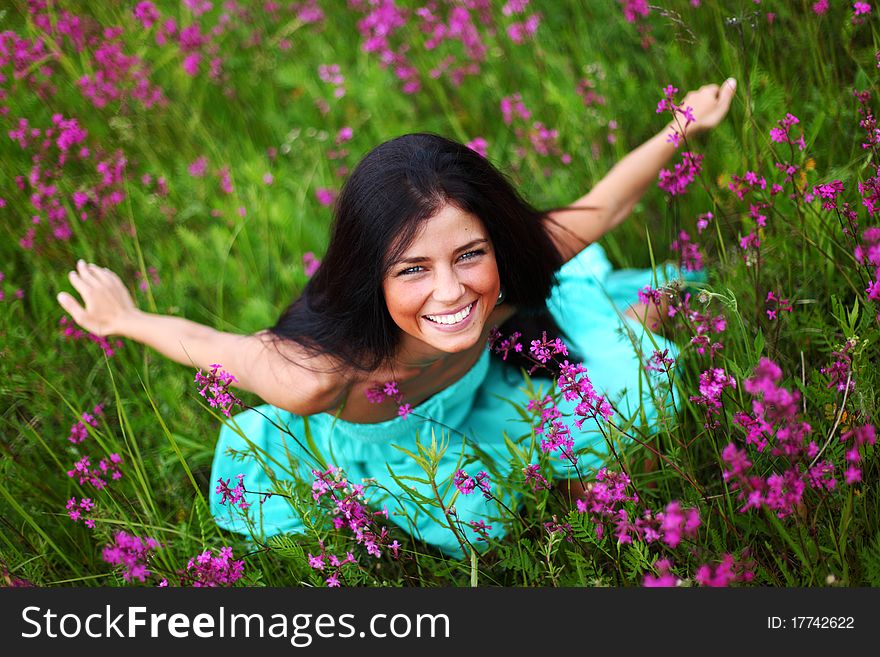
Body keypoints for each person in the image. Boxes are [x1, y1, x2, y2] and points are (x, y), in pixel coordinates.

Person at [56, 79, 736, 557]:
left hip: (483, 384)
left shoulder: (498, 283)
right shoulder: (318, 375)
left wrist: (683, 123)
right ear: (369, 275)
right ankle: (624, 312)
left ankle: (624, 314)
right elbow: (206, 342)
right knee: (479, 522)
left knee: (635, 387)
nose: (451, 293)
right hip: (388, 446)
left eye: (470, 254)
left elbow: (605, 205)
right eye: (413, 268)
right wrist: (126, 316)